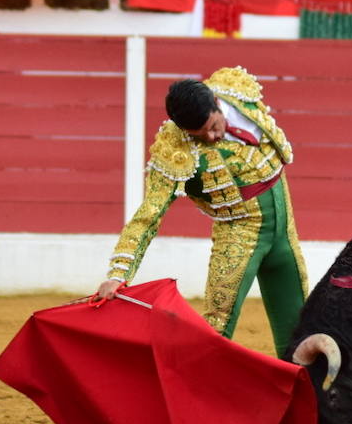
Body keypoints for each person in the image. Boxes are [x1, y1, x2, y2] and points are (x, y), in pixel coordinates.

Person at [94, 68, 308, 358]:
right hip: (239, 235)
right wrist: (118, 273)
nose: (211, 137)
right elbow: (148, 215)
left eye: (213, 126)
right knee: (216, 328)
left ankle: (308, 398)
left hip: (285, 231)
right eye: (199, 134)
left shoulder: (237, 91)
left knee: (300, 328)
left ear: (217, 106)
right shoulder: (174, 149)